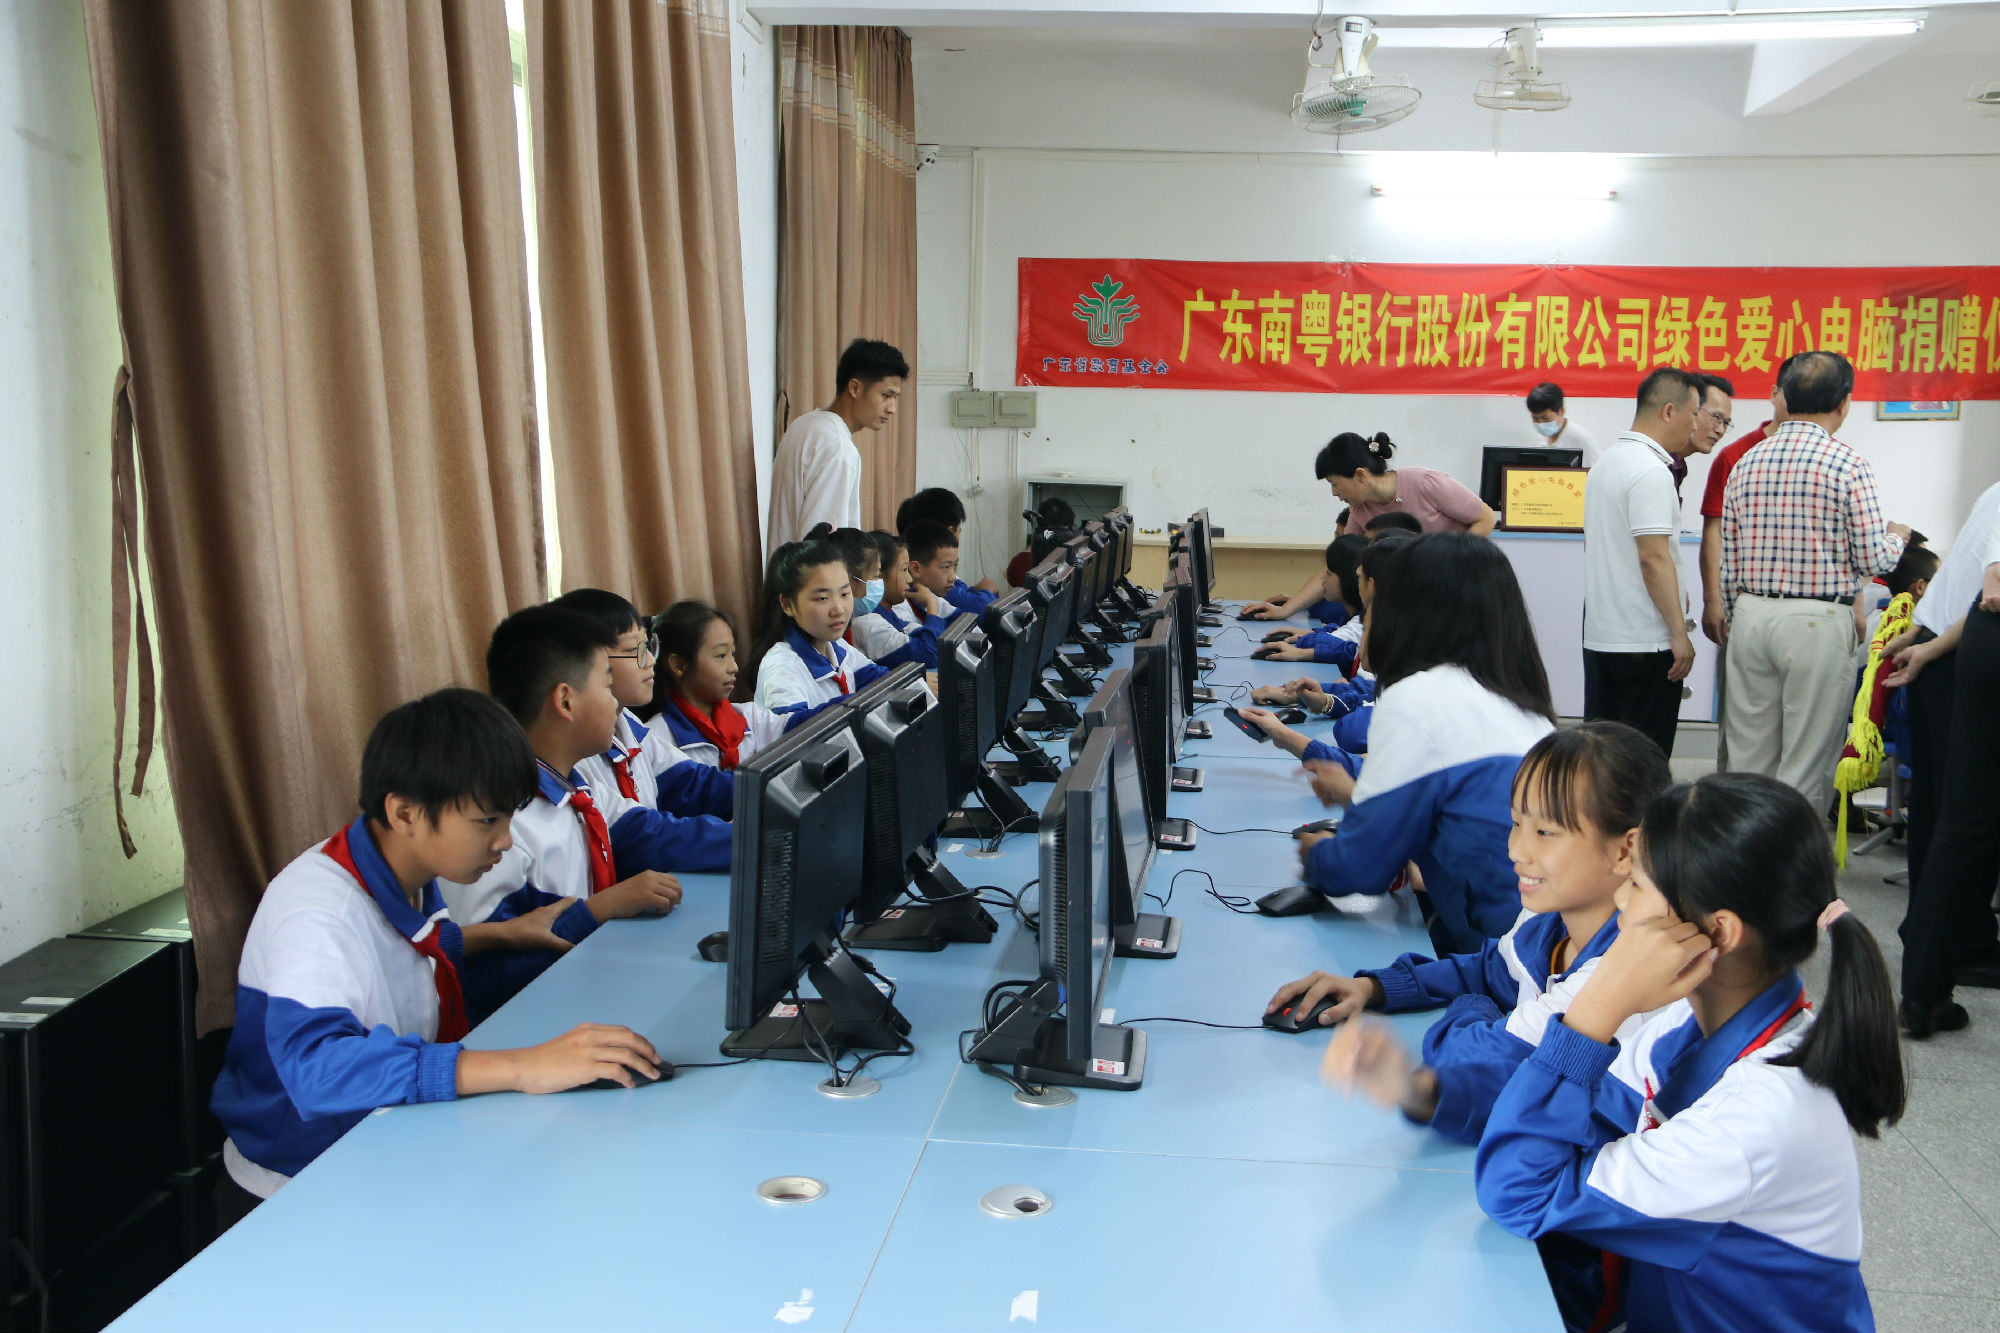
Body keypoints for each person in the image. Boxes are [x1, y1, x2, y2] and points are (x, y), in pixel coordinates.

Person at [1474, 772, 1904, 1333]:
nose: (1618, 899)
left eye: (1636, 884)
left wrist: (1597, 1008)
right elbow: (1584, 1128)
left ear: (1717, 933)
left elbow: (1517, 1190)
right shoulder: (1685, 1022)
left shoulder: (1755, 1117)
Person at [212, 690, 665, 1203]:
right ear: (405, 813)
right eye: (487, 821)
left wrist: (504, 933)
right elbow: (318, 1069)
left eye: (509, 817)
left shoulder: (403, 870)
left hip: (390, 1141)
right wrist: (524, 1066)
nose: (505, 841)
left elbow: (403, 953)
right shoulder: (318, 914)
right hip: (300, 1185)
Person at [1304, 723, 1672, 1150]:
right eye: (1516, 823)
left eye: (1544, 832)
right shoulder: (1547, 919)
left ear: (1625, 850)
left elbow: (1477, 1064)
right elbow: (1492, 968)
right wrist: (1374, 987)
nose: (1516, 850)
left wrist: (1469, 1010)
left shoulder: (1623, 970)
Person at [1258, 534, 1556, 954]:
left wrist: (1317, 855)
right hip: (1545, 943)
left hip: (1502, 956)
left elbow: (1361, 868)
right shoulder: (1523, 706)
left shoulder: (1417, 697)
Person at [440, 606, 688, 1012]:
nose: (617, 705)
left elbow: (657, 831)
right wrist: (598, 911)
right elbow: (481, 982)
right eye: (607, 686)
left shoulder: (574, 786)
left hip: (587, 993)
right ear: (566, 701)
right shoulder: (499, 826)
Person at [1719, 351, 1910, 814]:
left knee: (1749, 756)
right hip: (1817, 621)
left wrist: (1734, 613)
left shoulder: (1746, 462)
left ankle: (1743, 854)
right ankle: (1792, 858)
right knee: (1806, 760)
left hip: (1751, 615)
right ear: (1844, 403)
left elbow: (1729, 559)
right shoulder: (1848, 464)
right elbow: (1871, 558)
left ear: (1784, 397)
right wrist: (1897, 538)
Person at [1884, 485, 2000, 1032]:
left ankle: (1929, 981)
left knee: (1953, 821)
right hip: (1965, 647)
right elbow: (1992, 586)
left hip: (1960, 643)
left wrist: (1924, 638)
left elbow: (1970, 580)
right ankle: (1954, 953)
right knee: (1960, 820)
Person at [1581, 367, 1704, 759]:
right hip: (1645, 643)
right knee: (1644, 762)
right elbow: (1652, 558)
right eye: (1694, 413)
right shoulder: (1650, 470)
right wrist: (1679, 634)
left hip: (1602, 636)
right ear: (1669, 411)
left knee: (1604, 760)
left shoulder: (1606, 464)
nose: (1696, 425)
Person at [552, 588, 735, 827]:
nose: (650, 660)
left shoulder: (627, 723)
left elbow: (693, 784)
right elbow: (640, 832)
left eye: (647, 646)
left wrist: (764, 790)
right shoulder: (575, 754)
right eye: (633, 650)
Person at [766, 338, 905, 551]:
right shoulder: (837, 447)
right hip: (808, 572)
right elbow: (823, 548)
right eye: (886, 395)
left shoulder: (805, 424)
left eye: (895, 398)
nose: (892, 408)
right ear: (855, 388)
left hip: (785, 569)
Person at [749, 536, 887, 714]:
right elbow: (798, 727)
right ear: (788, 605)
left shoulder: (837, 647)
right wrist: (856, 704)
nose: (838, 609)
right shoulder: (781, 667)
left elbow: (882, 682)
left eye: (845, 594)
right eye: (822, 598)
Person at [652, 600, 794, 770]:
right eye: (720, 656)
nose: (733, 667)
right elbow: (707, 783)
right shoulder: (658, 740)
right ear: (679, 665)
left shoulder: (748, 717)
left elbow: (802, 726)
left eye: (732, 654)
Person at [1315, 432, 1498, 537]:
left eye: (1334, 483)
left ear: (1360, 475)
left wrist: (1450, 561)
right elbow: (1344, 558)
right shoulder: (1359, 511)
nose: (1334, 493)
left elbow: (1486, 518)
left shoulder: (1424, 483)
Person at [841, 527, 952, 670]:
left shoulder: (888, 614)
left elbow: (936, 642)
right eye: (904, 570)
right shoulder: (866, 623)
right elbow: (929, 654)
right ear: (880, 575)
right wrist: (932, 607)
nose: (909, 579)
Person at [1253, 534, 1367, 663]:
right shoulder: (1351, 616)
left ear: (1348, 580)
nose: (1323, 579)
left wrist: (1306, 639)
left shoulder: (1362, 623)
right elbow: (1338, 631)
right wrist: (1310, 632)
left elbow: (1323, 643)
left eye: (1328, 574)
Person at [896, 487, 1000, 611]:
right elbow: (984, 609)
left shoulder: (939, 574)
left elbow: (964, 591)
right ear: (949, 532)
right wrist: (987, 589)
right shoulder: (933, 583)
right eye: (959, 531)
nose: (952, 576)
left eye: (954, 566)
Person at [1667, 373, 1735, 498]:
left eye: (1726, 423)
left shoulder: (1678, 466)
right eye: (1716, 417)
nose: (1720, 430)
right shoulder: (1657, 463)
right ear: (1691, 408)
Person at [1526, 381, 1603, 468]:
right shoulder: (1541, 437)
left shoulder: (1582, 439)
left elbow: (1598, 471)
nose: (1541, 423)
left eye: (1546, 418)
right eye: (1535, 418)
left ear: (1561, 411)